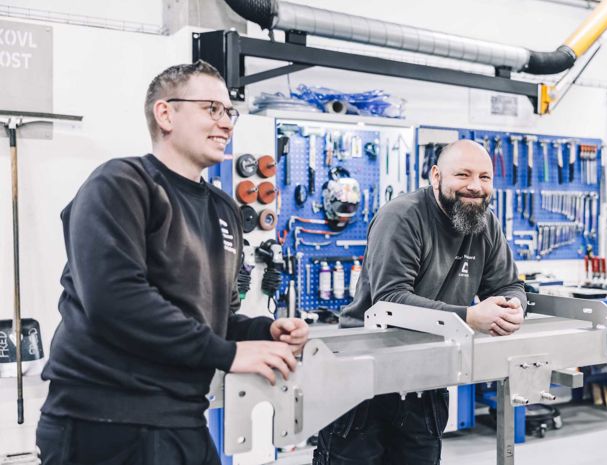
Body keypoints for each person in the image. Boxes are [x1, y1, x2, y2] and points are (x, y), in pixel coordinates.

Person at [35, 60, 309, 465]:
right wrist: (229, 355)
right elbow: (115, 300)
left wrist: (263, 329)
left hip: (182, 417)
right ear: (166, 113)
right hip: (104, 421)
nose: (227, 124)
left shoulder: (224, 209)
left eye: (229, 112)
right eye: (211, 109)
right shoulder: (122, 184)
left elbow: (210, 318)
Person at [313, 139, 527, 465]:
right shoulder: (402, 216)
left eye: (485, 177)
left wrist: (513, 306)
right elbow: (390, 300)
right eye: (463, 175)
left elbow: (508, 284)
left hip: (427, 378)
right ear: (436, 175)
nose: (475, 186)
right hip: (364, 381)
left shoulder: (486, 223)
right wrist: (468, 316)